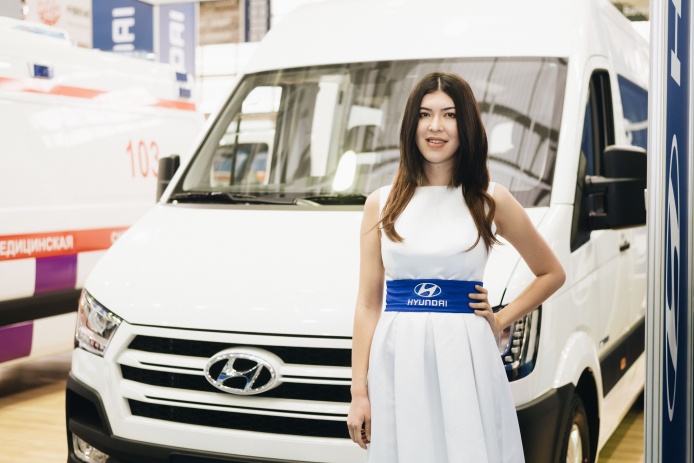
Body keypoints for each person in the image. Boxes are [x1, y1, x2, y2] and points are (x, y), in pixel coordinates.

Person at [346, 72, 566, 462]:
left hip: (467, 358)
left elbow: (551, 273)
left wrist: (500, 319)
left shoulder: (489, 199)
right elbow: (367, 304)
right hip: (398, 358)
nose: (436, 126)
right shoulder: (380, 203)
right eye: (425, 114)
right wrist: (358, 393)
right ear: (411, 125)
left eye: (449, 115)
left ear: (466, 126)